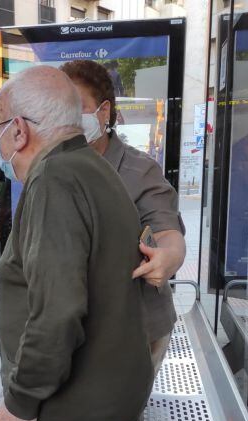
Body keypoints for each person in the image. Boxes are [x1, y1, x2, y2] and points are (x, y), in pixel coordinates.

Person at [0, 65, 153, 421]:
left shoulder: (54, 179)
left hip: (72, 418)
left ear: (18, 130)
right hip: (111, 402)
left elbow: (57, 314)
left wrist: (19, 405)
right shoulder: (95, 167)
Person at [61, 60, 186, 375]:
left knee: (122, 417)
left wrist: (166, 258)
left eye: (76, 106)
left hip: (135, 328)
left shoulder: (139, 170)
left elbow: (167, 231)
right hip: (74, 325)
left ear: (104, 113)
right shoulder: (55, 166)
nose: (64, 118)